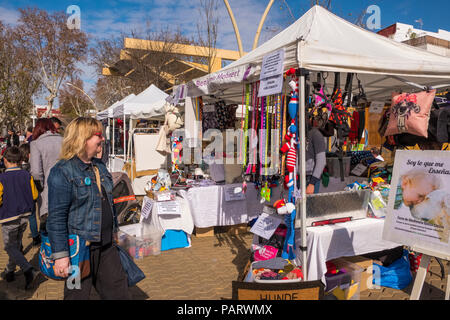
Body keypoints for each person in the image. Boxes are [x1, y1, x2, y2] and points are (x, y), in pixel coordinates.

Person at [47, 117, 130, 300]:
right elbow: (56, 218)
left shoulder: (99, 166)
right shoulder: (62, 171)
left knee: (120, 293)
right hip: (78, 251)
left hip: (106, 246)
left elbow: (106, 203)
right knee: (76, 296)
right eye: (98, 135)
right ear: (83, 138)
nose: (102, 139)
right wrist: (60, 256)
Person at [0, 147, 40, 289]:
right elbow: (34, 195)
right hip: (25, 216)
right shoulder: (26, 175)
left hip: (9, 217)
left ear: (5, 160)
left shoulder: (2, 178)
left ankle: (28, 269)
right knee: (15, 245)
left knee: (9, 246)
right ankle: (9, 271)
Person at [30, 118, 63, 232]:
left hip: (48, 191)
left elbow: (35, 171)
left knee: (49, 226)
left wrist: (41, 186)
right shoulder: (64, 141)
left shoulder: (36, 144)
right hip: (67, 188)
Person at [19, 143, 41, 246]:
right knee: (32, 218)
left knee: (20, 221)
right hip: (31, 196)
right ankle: (35, 237)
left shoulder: (18, 168)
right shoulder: (31, 166)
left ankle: (19, 244)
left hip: (20, 197)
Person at [306, 120, 327, 194]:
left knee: (309, 205)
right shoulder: (296, 135)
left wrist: (312, 183)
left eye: (299, 116)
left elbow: (321, 161)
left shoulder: (316, 135)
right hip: (297, 178)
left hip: (309, 178)